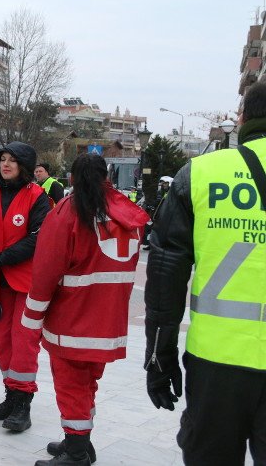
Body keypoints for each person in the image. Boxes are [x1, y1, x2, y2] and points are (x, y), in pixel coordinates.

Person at [144, 81, 266, 465]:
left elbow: (165, 278)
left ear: (242, 119)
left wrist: (159, 355)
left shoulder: (201, 174)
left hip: (217, 364)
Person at [23, 154, 149, 465]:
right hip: (109, 319)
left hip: (73, 317)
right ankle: (79, 440)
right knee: (87, 383)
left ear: (71, 178)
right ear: (107, 176)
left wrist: (32, 317)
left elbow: (46, 268)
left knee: (71, 385)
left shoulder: (68, 211)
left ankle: (76, 453)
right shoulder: (126, 211)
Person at [0, 142, 51, 432]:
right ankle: (11, 395)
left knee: (24, 341)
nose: (5, 164)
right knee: (2, 339)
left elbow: (36, 240)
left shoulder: (38, 197)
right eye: (2, 159)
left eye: (12, 160)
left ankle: (22, 405)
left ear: (24, 166)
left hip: (27, 283)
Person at [141, 176, 171, 250]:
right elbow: (158, 201)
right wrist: (151, 205)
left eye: (165, 183)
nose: (164, 185)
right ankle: (150, 244)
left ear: (170, 183)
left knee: (162, 232)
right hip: (158, 215)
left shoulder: (171, 193)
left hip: (165, 216)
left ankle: (161, 246)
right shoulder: (162, 192)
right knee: (152, 230)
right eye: (163, 183)